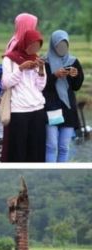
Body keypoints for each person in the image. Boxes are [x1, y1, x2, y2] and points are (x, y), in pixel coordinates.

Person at [1, 29, 47, 162]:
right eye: (33, 45)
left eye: (38, 46)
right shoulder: (10, 59)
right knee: (19, 150)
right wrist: (21, 69)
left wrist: (41, 70)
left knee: (37, 150)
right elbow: (6, 83)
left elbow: (40, 86)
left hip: (38, 109)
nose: (35, 48)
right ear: (25, 43)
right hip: (19, 111)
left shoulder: (37, 59)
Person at [43, 30, 84, 162]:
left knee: (64, 147)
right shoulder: (44, 62)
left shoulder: (73, 61)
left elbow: (76, 86)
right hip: (51, 108)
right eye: (59, 46)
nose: (62, 49)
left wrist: (75, 75)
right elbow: (40, 85)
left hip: (68, 110)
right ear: (53, 46)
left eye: (64, 46)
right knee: (51, 145)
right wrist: (54, 76)